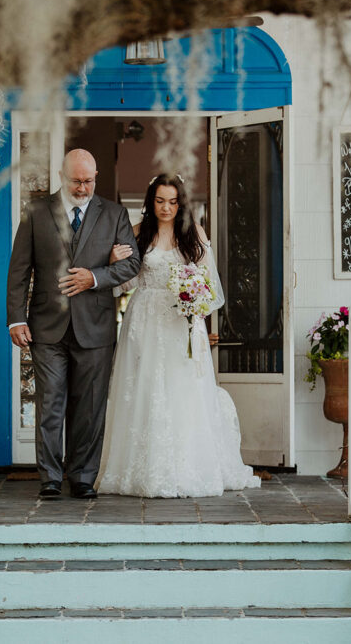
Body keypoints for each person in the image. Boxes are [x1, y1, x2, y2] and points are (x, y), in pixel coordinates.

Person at [95, 174, 260, 498]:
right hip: (144, 319)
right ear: (150, 201)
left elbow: (212, 288)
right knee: (143, 389)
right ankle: (140, 469)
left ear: (180, 202)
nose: (166, 208)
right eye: (159, 201)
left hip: (181, 321)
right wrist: (113, 262)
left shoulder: (193, 234)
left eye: (172, 201)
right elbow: (124, 284)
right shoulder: (138, 234)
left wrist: (195, 301)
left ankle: (186, 466)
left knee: (182, 390)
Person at [6, 149, 141, 499]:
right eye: (76, 181)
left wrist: (94, 278)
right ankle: (50, 477)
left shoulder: (114, 214)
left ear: (96, 175)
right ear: (61, 176)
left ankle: (82, 476)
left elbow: (132, 265)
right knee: (50, 402)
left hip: (95, 327)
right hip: (47, 326)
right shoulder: (36, 212)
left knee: (90, 407)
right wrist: (15, 319)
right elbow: (19, 269)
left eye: (89, 180)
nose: (83, 188)